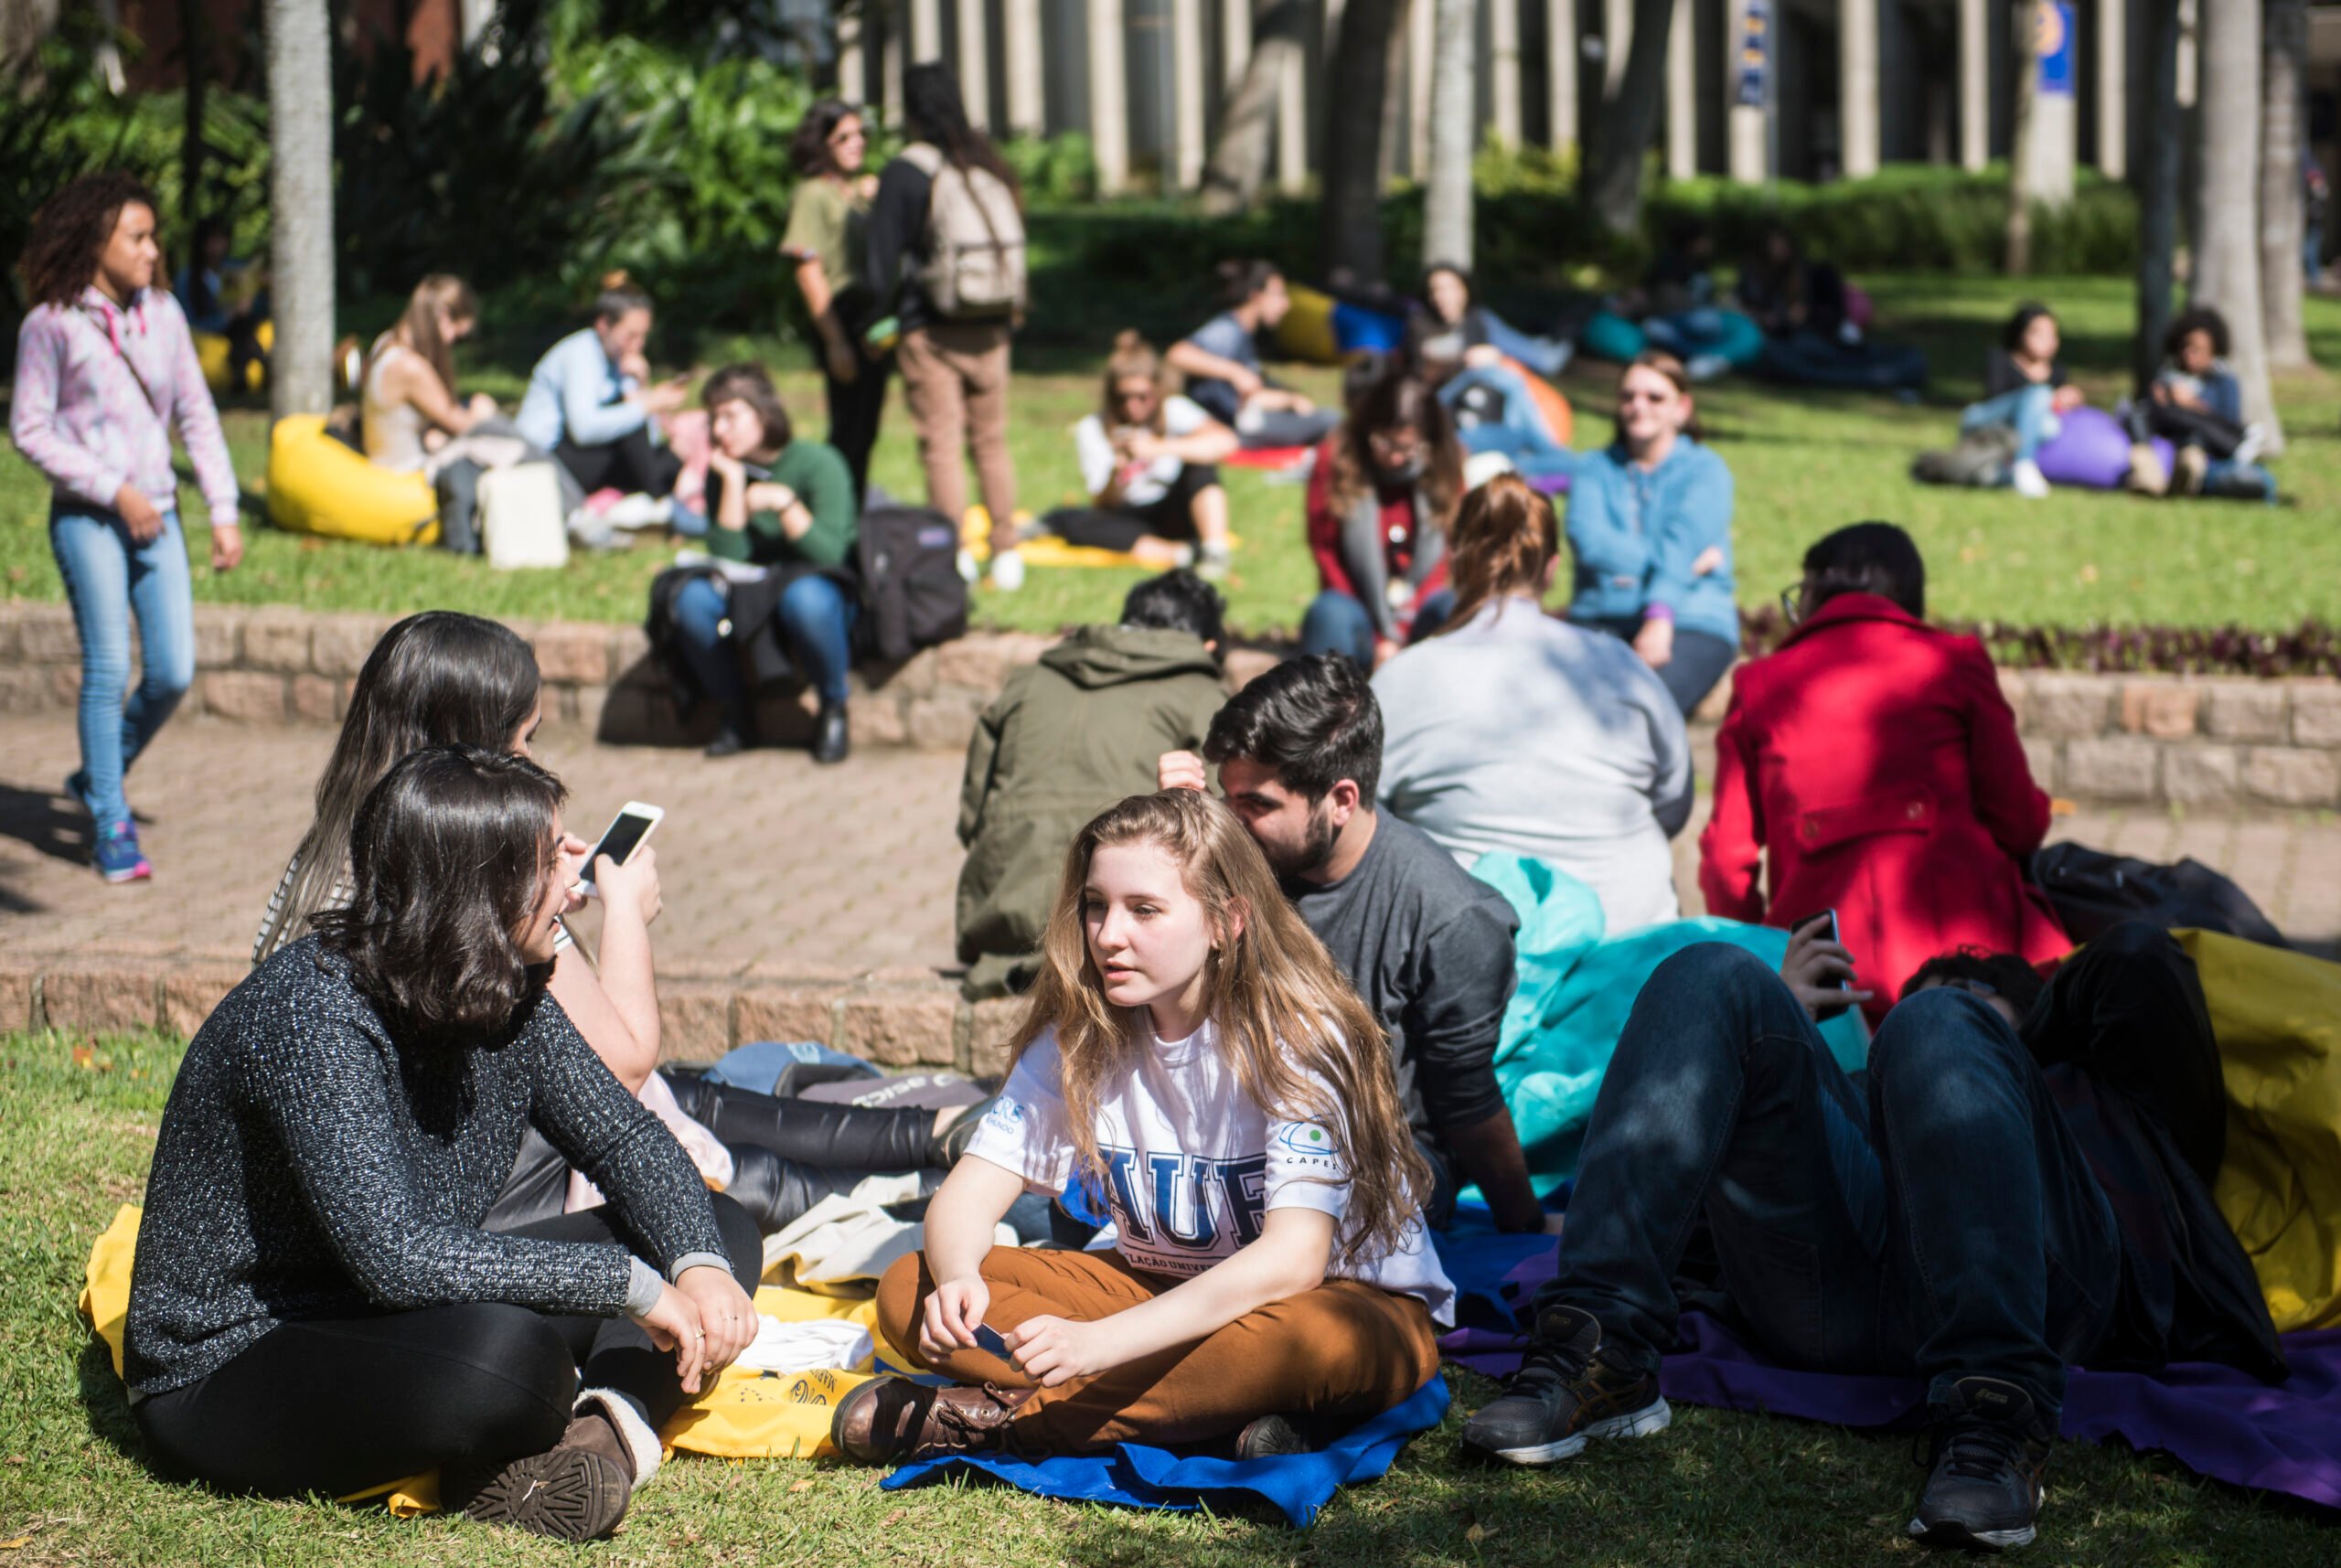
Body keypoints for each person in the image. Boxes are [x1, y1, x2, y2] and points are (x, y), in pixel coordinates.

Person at [1458, 922, 2284, 1551]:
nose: (1944, 1014)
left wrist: (1991, 1023)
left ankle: (1997, 1421)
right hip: (1845, 1292)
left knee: (1935, 1026)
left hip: (2039, 1282)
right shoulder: (1860, 1092)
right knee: (1709, 971)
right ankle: (1598, 1356)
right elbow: (1699, 1192)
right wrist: (1770, 1036)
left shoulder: (2096, 1102)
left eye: (1982, 1004)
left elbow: (2142, 962)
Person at [129, 743, 764, 1541]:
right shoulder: (315, 1013)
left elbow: (626, 1138)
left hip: (406, 1306)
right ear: (478, 888)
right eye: (547, 863)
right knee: (511, 1361)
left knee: (719, 1230)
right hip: (237, 1358)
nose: (576, 881)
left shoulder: (504, 983)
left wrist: (693, 1267)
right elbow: (393, 1253)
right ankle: (559, 1417)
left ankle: (601, 1438)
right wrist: (635, 1287)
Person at [251, 610, 975, 1232]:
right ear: (463, 742)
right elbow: (620, 1061)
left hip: (400, 1160)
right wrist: (623, 909)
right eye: (522, 740)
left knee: (683, 1093)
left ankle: (934, 1138)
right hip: (453, 1186)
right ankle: (922, 1182)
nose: (531, 760)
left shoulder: (338, 845)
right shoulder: (452, 874)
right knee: (655, 1120)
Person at [830, 788, 1453, 1463]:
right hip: (1153, 1290)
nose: (1107, 934)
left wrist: (1102, 1343)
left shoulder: (1296, 1038)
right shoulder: (1082, 1032)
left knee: (1307, 1345)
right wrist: (956, 1278)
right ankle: (1211, 1418)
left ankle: (1007, 1425)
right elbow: (971, 1192)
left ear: (1226, 921)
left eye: (1145, 909)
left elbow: (1293, 1258)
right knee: (908, 1286)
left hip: (1331, 1305)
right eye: (1096, 905)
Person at [1159, 655, 1551, 1236]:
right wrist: (1172, 843)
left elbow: (1465, 1098)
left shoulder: (1453, 919)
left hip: (1372, 1162)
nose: (1232, 822)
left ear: (1341, 799)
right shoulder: (1237, 853)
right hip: (1213, 1129)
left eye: (1258, 805)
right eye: (1226, 798)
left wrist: (1525, 1227)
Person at [1699, 522, 2068, 1026]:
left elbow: (1725, 862)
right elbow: (2021, 822)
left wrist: (1763, 960)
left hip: (1823, 984)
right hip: (1976, 975)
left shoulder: (1758, 684)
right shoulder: (1952, 662)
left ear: (1816, 594)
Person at [10, 171, 242, 884]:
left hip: (162, 518)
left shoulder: (165, 314)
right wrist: (113, 490)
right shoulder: (50, 324)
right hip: (89, 518)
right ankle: (109, 818)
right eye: (136, 237)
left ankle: (97, 773)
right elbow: (29, 428)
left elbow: (197, 415)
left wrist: (223, 511)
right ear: (95, 241)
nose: (152, 250)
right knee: (108, 666)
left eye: (152, 236)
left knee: (172, 670)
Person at [1375, 475, 1693, 934]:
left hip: (1470, 959)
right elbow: (1674, 802)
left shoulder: (1400, 680)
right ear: (1551, 568)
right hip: (1632, 939)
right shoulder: (1623, 666)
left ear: (1456, 562)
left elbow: (1362, 828)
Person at [957, 570, 1231, 1001]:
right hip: (1119, 947)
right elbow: (1222, 843)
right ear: (1210, 645)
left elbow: (971, 816)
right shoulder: (1202, 692)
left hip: (1001, 934)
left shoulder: (1026, 683)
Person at [864, 63, 1025, 589]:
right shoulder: (985, 161)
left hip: (930, 329)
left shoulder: (907, 171)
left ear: (907, 108)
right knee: (992, 440)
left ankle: (954, 551)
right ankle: (1007, 551)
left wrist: (870, 326)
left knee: (941, 442)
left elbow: (878, 266)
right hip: (992, 325)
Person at [667, 364, 861, 763]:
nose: (720, 430)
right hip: (748, 591)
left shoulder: (819, 462)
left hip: (812, 588)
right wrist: (734, 485)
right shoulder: (725, 470)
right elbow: (728, 556)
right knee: (691, 599)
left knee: (804, 598)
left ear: (764, 413)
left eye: (730, 416)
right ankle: (737, 713)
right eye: (713, 418)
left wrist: (783, 503)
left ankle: (833, 707)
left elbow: (830, 555)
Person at [1563, 352, 1739, 716]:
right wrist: (1685, 566)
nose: (1638, 406)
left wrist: (1660, 612)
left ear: (1682, 407)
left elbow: (1683, 540)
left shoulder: (1706, 471)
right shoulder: (1593, 468)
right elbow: (1589, 542)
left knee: (1640, 714)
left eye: (1655, 397)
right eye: (1628, 396)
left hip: (1690, 619)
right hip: (1601, 617)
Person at [1299, 370, 1466, 667]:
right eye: (1384, 443)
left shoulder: (1445, 467)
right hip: (1357, 610)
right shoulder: (1336, 459)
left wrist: (1400, 631)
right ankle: (1321, 706)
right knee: (1329, 612)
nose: (1395, 458)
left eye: (1407, 448)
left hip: (1419, 609)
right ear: (1367, 430)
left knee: (1455, 608)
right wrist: (1380, 639)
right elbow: (1326, 553)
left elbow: (1445, 558)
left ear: (1428, 440)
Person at [1042, 331, 1238, 574]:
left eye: (1142, 397)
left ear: (1156, 390)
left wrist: (1160, 448)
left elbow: (1226, 441)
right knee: (1078, 523)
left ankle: (1214, 551)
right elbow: (1103, 502)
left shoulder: (1173, 409)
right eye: (1123, 398)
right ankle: (1184, 554)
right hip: (1129, 516)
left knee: (1201, 466)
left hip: (1173, 507)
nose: (1132, 406)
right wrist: (1118, 472)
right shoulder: (1092, 428)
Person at [358, 274, 516, 554]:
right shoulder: (409, 367)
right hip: (405, 472)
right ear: (442, 315)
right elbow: (459, 423)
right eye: (456, 331)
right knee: (500, 433)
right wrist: (483, 412)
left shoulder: (385, 343)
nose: (453, 340)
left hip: (392, 459)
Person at [782, 99, 885, 500]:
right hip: (840, 317)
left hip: (868, 319)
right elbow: (808, 270)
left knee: (866, 429)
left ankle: (853, 510)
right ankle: (836, 513)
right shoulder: (812, 194)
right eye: (844, 137)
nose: (856, 143)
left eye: (861, 134)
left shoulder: (853, 192)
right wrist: (835, 340)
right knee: (848, 428)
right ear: (821, 144)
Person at [515, 283, 689, 507]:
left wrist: (642, 384)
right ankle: (658, 492)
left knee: (656, 443)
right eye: (631, 336)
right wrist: (647, 405)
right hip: (543, 458)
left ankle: (657, 489)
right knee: (633, 422)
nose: (638, 345)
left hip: (579, 456)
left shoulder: (620, 359)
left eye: (643, 336)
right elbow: (584, 429)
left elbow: (646, 441)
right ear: (603, 325)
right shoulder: (581, 354)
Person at [1168, 260, 1341, 450]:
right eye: (1279, 295)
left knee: (1325, 417)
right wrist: (1234, 371)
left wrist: (1289, 400)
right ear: (1257, 297)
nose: (1286, 305)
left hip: (1246, 419)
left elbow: (1251, 393)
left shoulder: (1246, 334)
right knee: (1332, 420)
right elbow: (1178, 354)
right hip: (1231, 427)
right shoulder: (1228, 329)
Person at [2126, 307, 2270, 496]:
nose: (2189, 354)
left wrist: (2192, 404)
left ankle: (2186, 475)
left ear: (2212, 351)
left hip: (2200, 446)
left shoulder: (2224, 382)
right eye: (2185, 347)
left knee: (2194, 444)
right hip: (2166, 440)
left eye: (2197, 350)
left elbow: (2226, 420)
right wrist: (2158, 400)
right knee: (2140, 413)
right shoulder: (2169, 376)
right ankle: (2148, 474)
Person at [1959, 303, 2085, 499]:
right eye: (2039, 334)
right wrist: (2042, 397)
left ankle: (2002, 471)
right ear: (2021, 334)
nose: (2048, 341)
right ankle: (2023, 463)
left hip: (2020, 434)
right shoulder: (2000, 360)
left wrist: (2066, 400)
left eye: (2053, 335)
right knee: (2039, 395)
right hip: (1987, 420)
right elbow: (1995, 399)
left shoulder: (2058, 372)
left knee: (2049, 425)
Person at [1414, 262, 1573, 379]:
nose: (1443, 296)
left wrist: (1493, 357)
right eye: (1436, 290)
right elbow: (1424, 358)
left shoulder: (1475, 318)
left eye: (1450, 288)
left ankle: (1543, 345)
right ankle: (1546, 346)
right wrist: (1467, 357)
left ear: (1464, 289)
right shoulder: (1420, 323)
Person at [172, 214, 266, 387]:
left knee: (245, 326)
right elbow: (190, 321)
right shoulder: (187, 279)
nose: (218, 246)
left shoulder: (235, 269)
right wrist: (226, 317)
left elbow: (260, 306)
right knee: (243, 332)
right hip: (209, 337)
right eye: (213, 240)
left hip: (241, 330)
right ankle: (258, 359)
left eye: (222, 239)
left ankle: (247, 364)